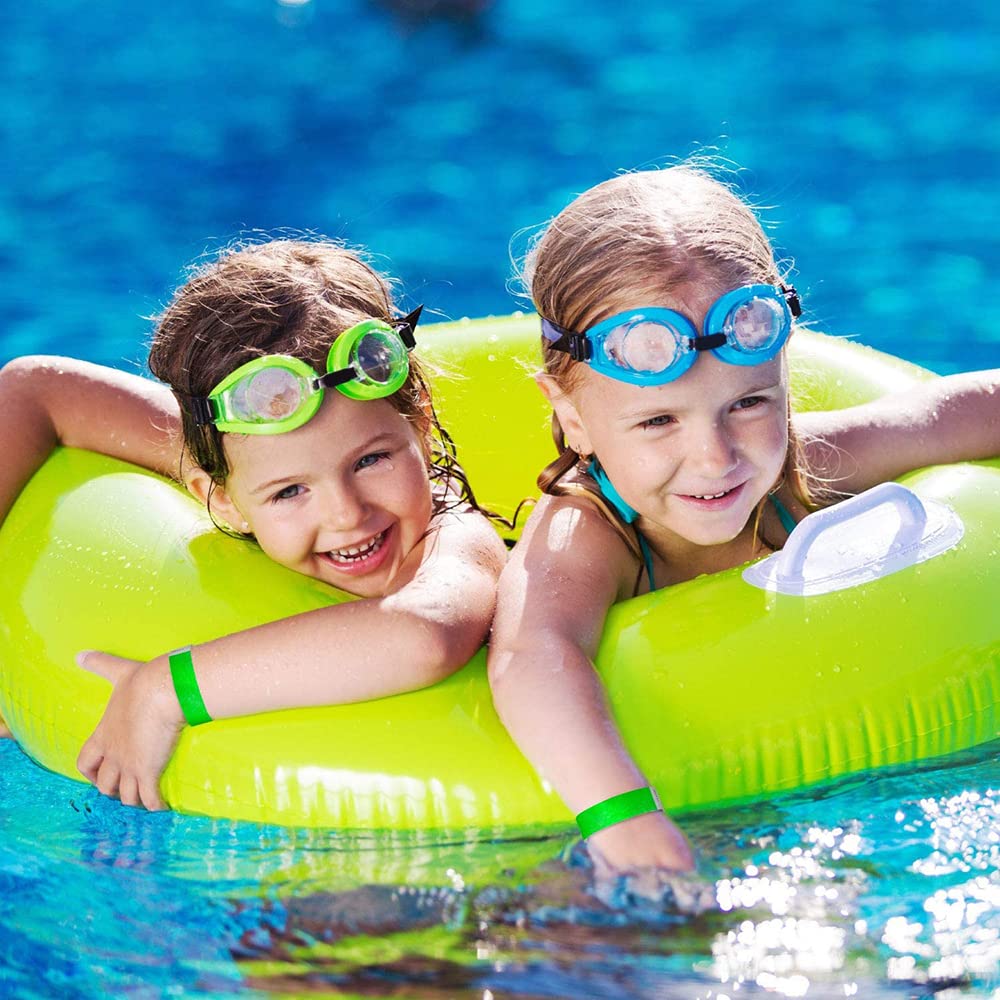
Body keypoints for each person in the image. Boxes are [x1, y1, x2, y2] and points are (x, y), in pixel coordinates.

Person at [486, 164, 1000, 876]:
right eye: (659, 420)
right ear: (572, 416)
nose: (716, 458)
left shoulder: (800, 469)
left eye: (749, 404)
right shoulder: (589, 532)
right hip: (633, 819)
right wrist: (624, 824)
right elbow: (531, 653)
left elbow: (951, 413)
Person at [0, 239, 506, 810]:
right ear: (222, 502)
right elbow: (35, 390)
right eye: (290, 491)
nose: (346, 513)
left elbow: (424, 635)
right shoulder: (245, 456)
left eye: (371, 460)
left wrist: (164, 690)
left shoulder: (454, 537)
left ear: (421, 426)